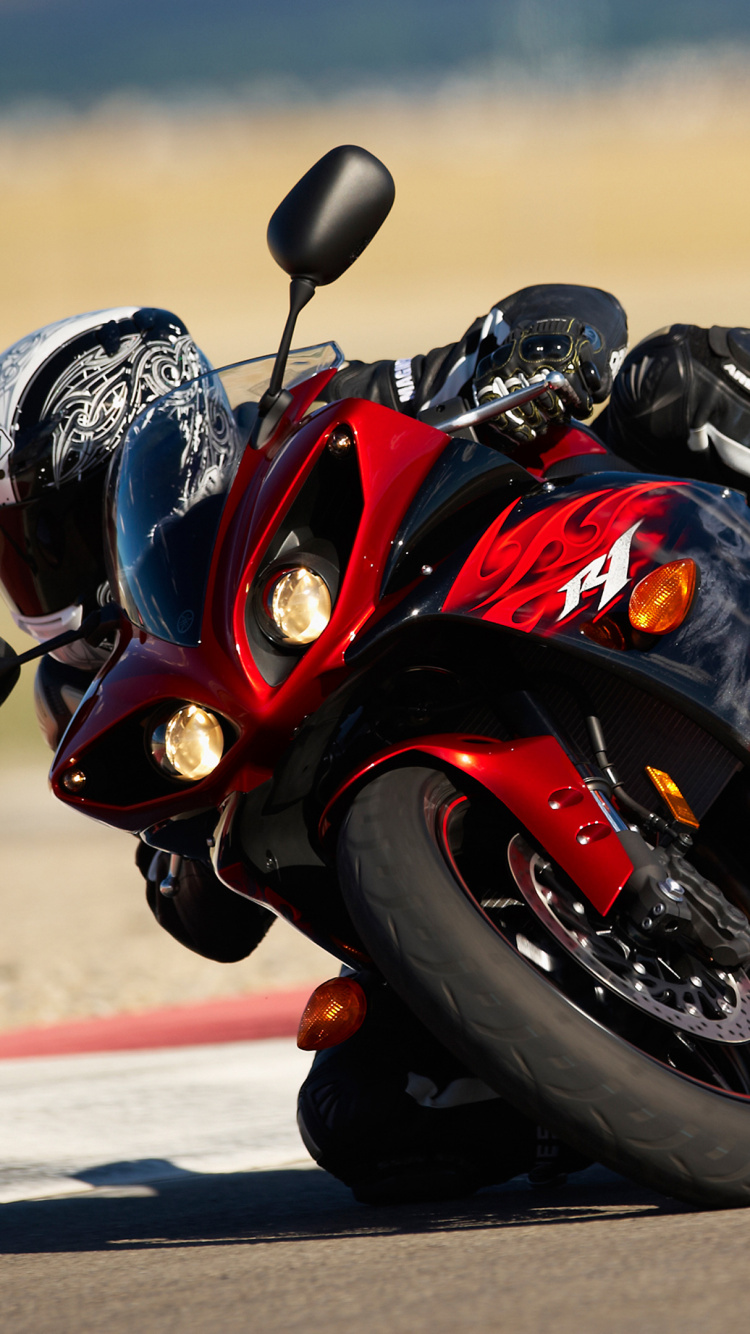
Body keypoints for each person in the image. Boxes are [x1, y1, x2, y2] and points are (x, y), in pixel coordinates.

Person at [1, 285, 749, 1203]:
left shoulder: (307, 426)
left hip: (574, 599)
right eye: (16, 547)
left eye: (50, 529)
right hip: (413, 834)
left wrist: (548, 344)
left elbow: (529, 329)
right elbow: (209, 924)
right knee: (369, 1112)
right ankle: (646, 1087)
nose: (37, 570)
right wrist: (183, 848)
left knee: (681, 383)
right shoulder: (92, 692)